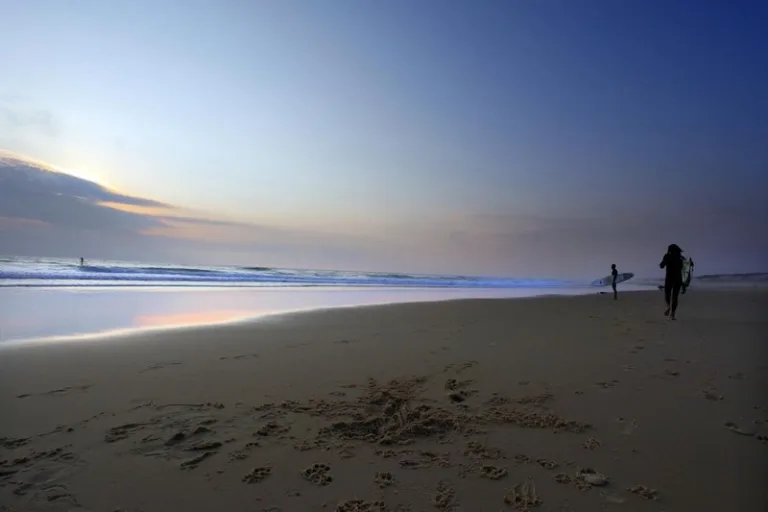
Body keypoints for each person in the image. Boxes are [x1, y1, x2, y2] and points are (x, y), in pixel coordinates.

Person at [659, 244, 684, 320]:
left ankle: (668, 307)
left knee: (667, 294)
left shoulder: (667, 256)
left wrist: (663, 262)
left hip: (669, 278)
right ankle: (672, 315)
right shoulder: (681, 258)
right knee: (675, 297)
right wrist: (685, 284)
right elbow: (685, 270)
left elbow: (662, 266)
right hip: (678, 279)